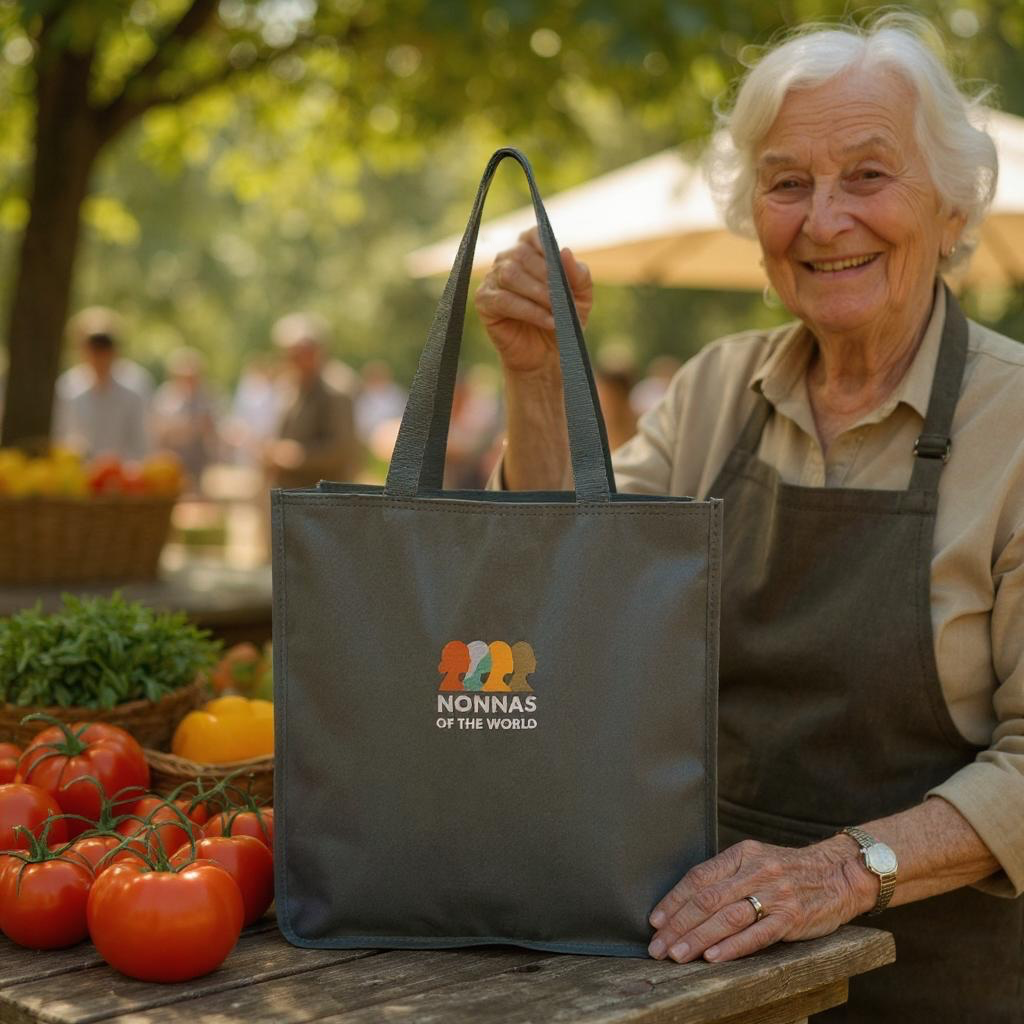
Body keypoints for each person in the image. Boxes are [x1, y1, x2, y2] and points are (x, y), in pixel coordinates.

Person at [473, 14, 1023, 1023]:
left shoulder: (1016, 424)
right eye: (785, 182)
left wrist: (843, 870)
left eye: (866, 175)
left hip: (938, 979)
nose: (821, 220)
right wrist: (536, 382)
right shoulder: (716, 390)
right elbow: (561, 600)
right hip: (700, 962)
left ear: (950, 207)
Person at [263, 313, 361, 489]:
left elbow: (342, 449)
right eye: (290, 353)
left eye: (301, 352)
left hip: (325, 497)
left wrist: (297, 456)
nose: (295, 359)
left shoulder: (337, 388)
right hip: (294, 492)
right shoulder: (291, 386)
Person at [53, 310, 151, 461]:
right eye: (93, 346)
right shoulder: (66, 388)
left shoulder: (134, 386)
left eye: (105, 346)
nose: (99, 354)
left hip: (120, 477)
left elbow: (141, 445)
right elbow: (58, 436)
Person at [150, 347, 220, 489]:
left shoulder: (206, 397)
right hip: (171, 460)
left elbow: (212, 428)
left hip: (198, 459)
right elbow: (158, 429)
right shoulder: (165, 397)